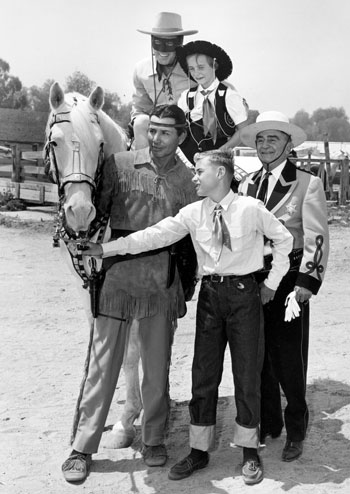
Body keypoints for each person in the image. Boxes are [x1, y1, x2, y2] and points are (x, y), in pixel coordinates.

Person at [83, 149, 293, 485]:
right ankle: (199, 450)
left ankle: (249, 451)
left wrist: (270, 283)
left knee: (247, 374)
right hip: (210, 298)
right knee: (203, 375)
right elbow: (153, 235)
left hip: (245, 297)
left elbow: (285, 239)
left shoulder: (251, 209)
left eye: (199, 171)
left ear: (221, 174)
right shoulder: (193, 213)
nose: (194, 177)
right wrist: (106, 249)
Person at [61, 105, 198, 483]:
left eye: (165, 132)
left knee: (156, 369)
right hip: (116, 282)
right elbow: (95, 215)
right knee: (103, 367)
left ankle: (153, 437)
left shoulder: (188, 181)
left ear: (181, 137)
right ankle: (83, 446)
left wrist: (184, 288)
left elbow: (189, 243)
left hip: (160, 286)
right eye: (151, 130)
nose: (155, 138)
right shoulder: (119, 165)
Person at [239, 111, 330, 462]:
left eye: (272, 139)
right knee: (257, 355)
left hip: (291, 279)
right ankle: (269, 422)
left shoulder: (307, 183)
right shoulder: (246, 184)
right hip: (254, 276)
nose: (265, 145)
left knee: (289, 356)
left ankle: (295, 428)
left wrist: (307, 282)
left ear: (288, 144)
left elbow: (317, 238)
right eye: (260, 139)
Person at [131, 12, 198, 149]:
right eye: (157, 42)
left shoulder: (196, 68)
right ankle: (144, 168)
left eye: (169, 43)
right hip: (157, 129)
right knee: (140, 122)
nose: (163, 51)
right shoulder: (140, 70)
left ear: (180, 43)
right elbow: (139, 108)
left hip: (190, 130)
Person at [176, 40, 249, 163]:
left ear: (214, 65)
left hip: (219, 161)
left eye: (201, 67)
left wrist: (219, 153)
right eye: (192, 69)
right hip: (188, 160)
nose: (196, 73)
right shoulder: (186, 96)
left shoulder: (229, 96)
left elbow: (243, 130)